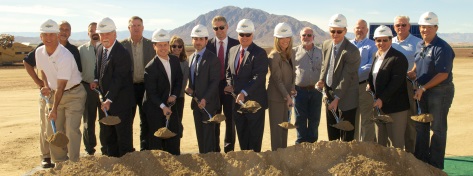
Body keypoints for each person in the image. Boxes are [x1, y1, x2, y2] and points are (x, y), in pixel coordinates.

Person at [36, 19, 86, 162]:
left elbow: (62, 86)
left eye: (52, 35)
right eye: (45, 35)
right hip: (55, 93)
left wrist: (54, 108)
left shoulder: (65, 56)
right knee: (53, 131)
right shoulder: (39, 51)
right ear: (41, 37)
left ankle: (74, 163)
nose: (48, 38)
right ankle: (60, 164)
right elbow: (43, 71)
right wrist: (45, 85)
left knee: (71, 130)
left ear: (57, 35)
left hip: (73, 95)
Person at [413, 12, 455, 170]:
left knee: (437, 128)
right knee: (421, 125)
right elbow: (419, 62)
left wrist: (423, 88)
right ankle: (421, 161)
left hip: (440, 91)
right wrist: (412, 72)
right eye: (422, 27)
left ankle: (435, 165)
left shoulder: (442, 47)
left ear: (436, 28)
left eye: (428, 27)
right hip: (422, 91)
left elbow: (443, 74)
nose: (425, 30)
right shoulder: (420, 44)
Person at [90, 17, 135, 157]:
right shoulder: (99, 48)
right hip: (106, 102)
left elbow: (119, 79)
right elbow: (98, 67)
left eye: (107, 33)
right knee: (109, 137)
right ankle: (114, 165)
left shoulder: (122, 53)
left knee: (123, 138)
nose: (104, 37)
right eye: (102, 34)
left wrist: (108, 99)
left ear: (115, 34)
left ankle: (127, 167)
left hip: (121, 103)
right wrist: (96, 79)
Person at [225, 19, 269, 152]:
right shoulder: (232, 50)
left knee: (254, 138)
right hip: (237, 103)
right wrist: (229, 84)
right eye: (241, 34)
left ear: (253, 34)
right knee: (242, 135)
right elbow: (228, 71)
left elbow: (259, 77)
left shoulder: (259, 53)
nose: (244, 37)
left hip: (254, 103)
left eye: (247, 34)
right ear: (238, 34)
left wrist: (244, 92)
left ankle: (255, 166)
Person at [316, 14, 360, 142]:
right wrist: (321, 79)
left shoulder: (352, 51)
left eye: (339, 31)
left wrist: (337, 98)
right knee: (333, 131)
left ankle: (346, 160)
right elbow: (325, 65)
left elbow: (347, 76)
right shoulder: (326, 44)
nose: (335, 34)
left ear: (345, 31)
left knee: (346, 134)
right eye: (332, 31)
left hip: (346, 96)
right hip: (329, 92)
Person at [367, 25, 409, 149]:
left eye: (385, 40)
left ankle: (399, 168)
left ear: (391, 40)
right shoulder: (376, 55)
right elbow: (375, 75)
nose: (382, 43)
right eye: (378, 40)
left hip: (396, 108)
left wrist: (382, 99)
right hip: (380, 106)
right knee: (380, 142)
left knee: (396, 143)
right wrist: (371, 83)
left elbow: (395, 83)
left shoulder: (398, 58)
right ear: (375, 41)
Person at [143, 29, 183, 155]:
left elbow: (178, 79)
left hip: (170, 103)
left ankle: (174, 161)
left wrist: (174, 95)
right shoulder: (150, 68)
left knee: (173, 135)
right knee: (157, 138)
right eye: (159, 45)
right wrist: (163, 106)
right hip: (155, 106)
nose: (163, 48)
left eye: (165, 44)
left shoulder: (175, 61)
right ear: (154, 46)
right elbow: (151, 92)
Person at [120, 16, 155, 151]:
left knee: (145, 119)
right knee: (128, 119)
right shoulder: (122, 46)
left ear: (143, 27)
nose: (136, 28)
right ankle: (128, 149)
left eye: (138, 25)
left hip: (146, 87)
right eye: (133, 25)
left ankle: (145, 148)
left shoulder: (150, 45)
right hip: (129, 88)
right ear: (129, 28)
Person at [205, 16, 240, 153]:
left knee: (230, 120)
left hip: (229, 88)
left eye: (221, 27)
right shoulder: (208, 45)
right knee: (215, 119)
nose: (219, 31)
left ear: (227, 27)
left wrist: (233, 85)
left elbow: (240, 67)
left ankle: (229, 150)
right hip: (213, 89)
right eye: (215, 28)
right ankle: (215, 150)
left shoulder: (236, 44)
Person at [186, 24, 220, 153]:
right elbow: (194, 81)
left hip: (208, 104)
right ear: (192, 40)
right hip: (196, 104)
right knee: (200, 135)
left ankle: (211, 164)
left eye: (201, 39)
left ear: (206, 40)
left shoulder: (212, 59)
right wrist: (190, 90)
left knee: (208, 137)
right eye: (195, 39)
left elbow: (214, 82)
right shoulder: (191, 58)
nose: (198, 42)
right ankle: (204, 162)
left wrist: (205, 99)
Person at [391, 15, 423, 153]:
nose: (401, 27)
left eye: (404, 25)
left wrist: (415, 71)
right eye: (398, 25)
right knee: (393, 119)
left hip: (409, 85)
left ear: (409, 26)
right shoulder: (389, 42)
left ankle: (411, 154)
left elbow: (421, 61)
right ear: (394, 27)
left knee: (410, 120)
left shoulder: (418, 43)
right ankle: (395, 153)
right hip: (392, 87)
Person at [267, 22, 295, 151]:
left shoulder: (290, 54)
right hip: (277, 98)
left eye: (287, 37)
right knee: (277, 130)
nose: (285, 40)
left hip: (286, 96)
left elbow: (292, 75)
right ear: (277, 39)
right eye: (282, 38)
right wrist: (287, 96)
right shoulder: (274, 56)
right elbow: (277, 79)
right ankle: (276, 158)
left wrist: (292, 89)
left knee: (284, 128)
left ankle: (282, 156)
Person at [24, 43, 53, 168]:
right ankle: (46, 156)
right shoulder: (43, 47)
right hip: (47, 93)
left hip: (62, 93)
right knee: (46, 125)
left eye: (67, 30)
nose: (64, 33)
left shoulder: (68, 49)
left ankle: (60, 154)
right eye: (61, 30)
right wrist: (39, 82)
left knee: (60, 124)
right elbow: (27, 62)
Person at [293, 27, 323, 144]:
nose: (306, 37)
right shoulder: (294, 52)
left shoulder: (320, 52)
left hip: (316, 91)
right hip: (300, 91)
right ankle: (300, 143)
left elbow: (324, 69)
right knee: (300, 119)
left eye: (309, 35)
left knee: (314, 119)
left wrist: (322, 82)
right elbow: (291, 71)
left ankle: (312, 142)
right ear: (300, 37)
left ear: (313, 37)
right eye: (304, 35)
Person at [78, 22, 104, 156]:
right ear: (88, 33)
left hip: (104, 89)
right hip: (87, 89)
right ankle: (90, 149)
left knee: (105, 119)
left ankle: (106, 148)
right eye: (91, 31)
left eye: (96, 30)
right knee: (88, 120)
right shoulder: (81, 50)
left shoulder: (106, 48)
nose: (94, 33)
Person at [349, 19, 377, 142]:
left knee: (367, 119)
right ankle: (354, 148)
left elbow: (371, 65)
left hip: (364, 86)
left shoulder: (373, 45)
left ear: (367, 30)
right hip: (349, 88)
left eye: (362, 28)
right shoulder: (347, 45)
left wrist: (352, 74)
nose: (360, 30)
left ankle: (367, 148)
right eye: (357, 28)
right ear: (353, 30)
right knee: (351, 118)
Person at [169, 35, 188, 153]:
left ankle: (176, 149)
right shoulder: (166, 60)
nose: (177, 48)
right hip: (165, 98)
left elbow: (184, 81)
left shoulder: (184, 63)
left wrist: (175, 95)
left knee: (177, 123)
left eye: (179, 46)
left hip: (179, 97)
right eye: (174, 46)